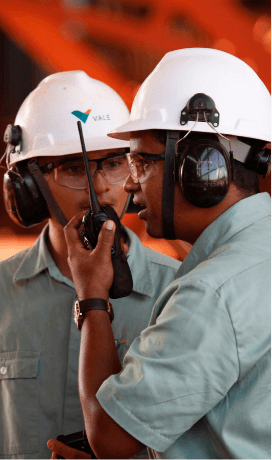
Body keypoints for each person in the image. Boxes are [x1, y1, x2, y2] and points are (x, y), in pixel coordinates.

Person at [48, 48, 271, 460]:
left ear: (201, 168)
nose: (129, 188)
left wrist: (91, 297)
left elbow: (110, 438)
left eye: (140, 163)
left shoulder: (211, 294)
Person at [0, 70, 180, 460]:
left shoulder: (180, 292)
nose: (99, 189)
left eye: (114, 163)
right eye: (73, 168)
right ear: (27, 188)